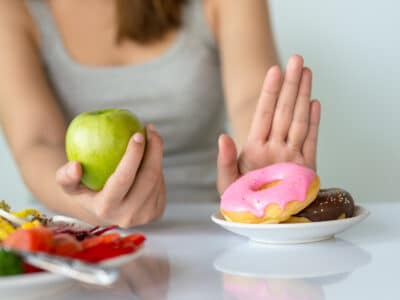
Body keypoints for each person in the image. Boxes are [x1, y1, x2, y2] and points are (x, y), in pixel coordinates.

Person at [0, 0, 320, 227]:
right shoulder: (12, 9)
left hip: (204, 233)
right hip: (72, 237)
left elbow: (250, 97)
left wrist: (263, 164)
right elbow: (37, 141)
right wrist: (90, 208)